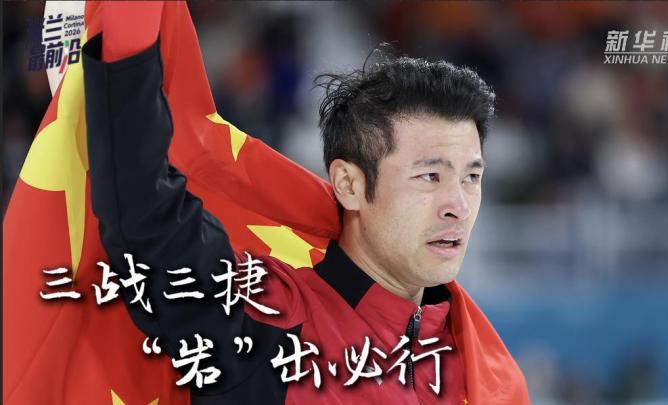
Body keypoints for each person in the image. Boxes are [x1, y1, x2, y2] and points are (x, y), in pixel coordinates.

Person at [82, 2, 528, 404]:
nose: (458, 206)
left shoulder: (487, 373)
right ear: (349, 185)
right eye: (429, 176)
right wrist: (127, 21)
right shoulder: (264, 321)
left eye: (471, 177)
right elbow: (143, 216)